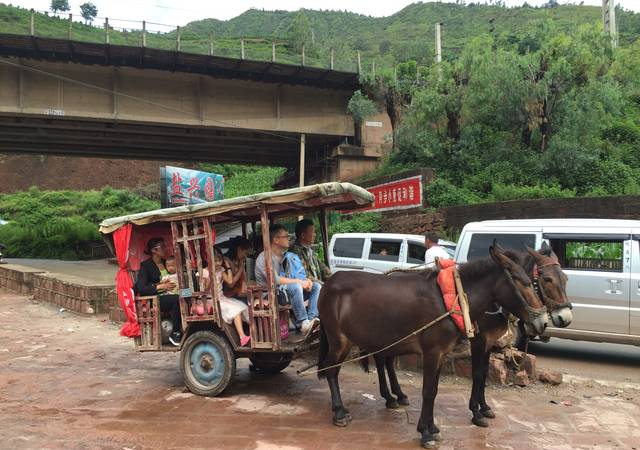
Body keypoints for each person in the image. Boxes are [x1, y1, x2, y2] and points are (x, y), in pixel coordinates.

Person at [255, 224, 319, 335]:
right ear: (276, 240)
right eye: (285, 236)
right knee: (296, 286)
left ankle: (311, 320)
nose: (289, 238)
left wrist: (306, 281)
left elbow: (295, 275)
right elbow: (275, 280)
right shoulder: (265, 257)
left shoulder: (287, 256)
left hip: (286, 292)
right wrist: (299, 282)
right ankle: (303, 322)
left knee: (316, 286)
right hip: (271, 294)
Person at [134, 237, 182, 346]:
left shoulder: (168, 263)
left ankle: (187, 328)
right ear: (153, 250)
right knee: (176, 299)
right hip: (157, 298)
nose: (165, 248)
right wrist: (162, 286)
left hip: (174, 292)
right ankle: (175, 333)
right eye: (163, 246)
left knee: (188, 295)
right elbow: (141, 288)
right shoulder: (146, 266)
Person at [201, 247, 251, 346]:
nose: (218, 263)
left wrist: (227, 267)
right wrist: (211, 274)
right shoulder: (204, 272)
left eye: (219, 260)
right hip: (211, 300)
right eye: (215, 261)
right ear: (208, 260)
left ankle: (251, 332)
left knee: (244, 307)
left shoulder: (221, 270)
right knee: (236, 310)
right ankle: (242, 337)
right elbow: (205, 289)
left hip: (222, 297)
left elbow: (230, 281)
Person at [289, 219, 331, 284]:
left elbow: (323, 267)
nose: (315, 235)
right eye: (312, 232)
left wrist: (334, 278)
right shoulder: (295, 252)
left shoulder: (310, 251)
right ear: (303, 235)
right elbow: (305, 275)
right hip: (308, 289)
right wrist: (323, 285)